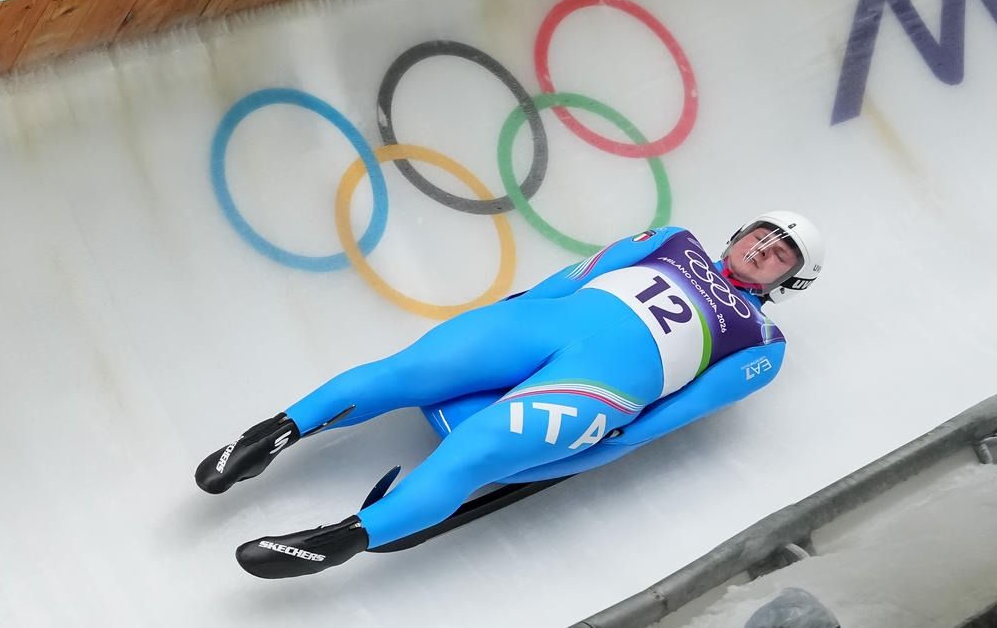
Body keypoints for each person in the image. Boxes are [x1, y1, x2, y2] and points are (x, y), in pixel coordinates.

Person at [195, 210, 826, 578]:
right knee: (404, 372)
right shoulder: (671, 239)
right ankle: (266, 437)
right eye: (761, 235)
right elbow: (573, 277)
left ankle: (344, 537)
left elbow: (675, 414)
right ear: (739, 232)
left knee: (475, 451)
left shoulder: (762, 344)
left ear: (790, 281)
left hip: (598, 388)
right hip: (539, 325)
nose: (762, 250)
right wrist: (503, 321)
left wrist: (600, 449)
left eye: (780, 255)